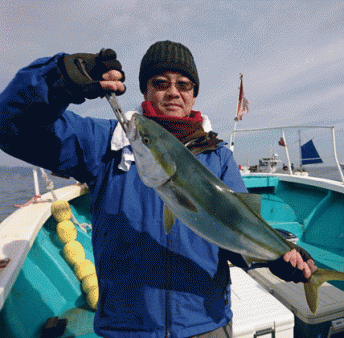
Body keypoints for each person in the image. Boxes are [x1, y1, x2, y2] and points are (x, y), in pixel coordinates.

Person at [0, 41, 316, 338]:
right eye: (161, 83)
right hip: (127, 327)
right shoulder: (106, 143)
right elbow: (10, 126)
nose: (173, 93)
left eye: (184, 85)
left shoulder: (218, 156)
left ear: (194, 94)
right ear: (146, 91)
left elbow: (233, 231)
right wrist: (59, 77)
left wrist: (273, 257)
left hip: (206, 324)